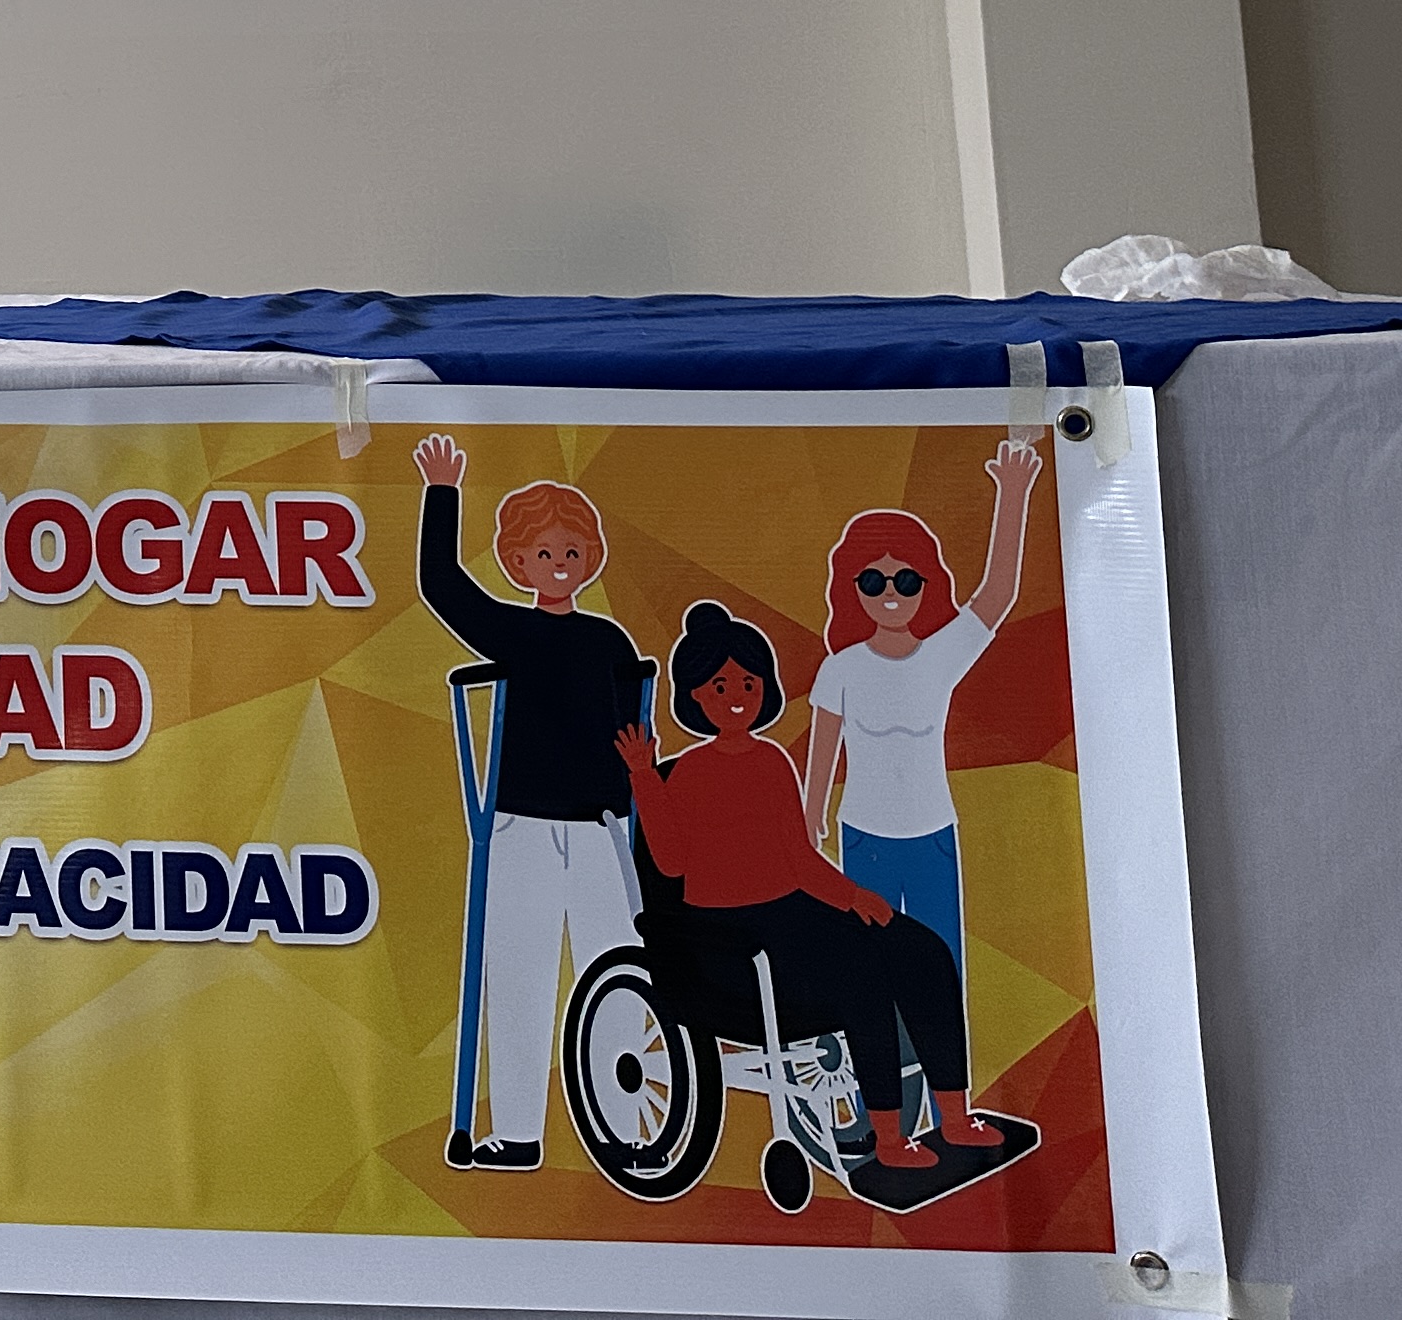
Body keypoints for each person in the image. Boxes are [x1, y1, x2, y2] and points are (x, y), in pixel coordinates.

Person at [615, 601, 1000, 1172]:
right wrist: (644, 777)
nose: (737, 696)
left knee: (922, 950)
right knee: (861, 974)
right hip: (724, 929)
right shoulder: (687, 773)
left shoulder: (773, 762)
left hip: (793, 908)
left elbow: (799, 858)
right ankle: (889, 1140)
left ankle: (955, 1117)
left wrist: (853, 897)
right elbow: (670, 865)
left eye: (748, 683)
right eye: (720, 686)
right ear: (696, 696)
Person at [412, 435, 650, 1172]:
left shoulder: (609, 640)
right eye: (544, 554)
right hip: (520, 825)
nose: (559, 565)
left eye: (572, 552)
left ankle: (625, 1129)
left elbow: (637, 730)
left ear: (590, 559)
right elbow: (442, 585)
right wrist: (443, 493)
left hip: (604, 827)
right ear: (518, 564)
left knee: (618, 971)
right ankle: (517, 1134)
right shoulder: (512, 631)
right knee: (518, 975)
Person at [800, 438, 1039, 974]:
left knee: (940, 967)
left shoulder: (940, 657)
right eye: (873, 580)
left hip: (932, 835)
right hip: (865, 837)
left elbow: (998, 593)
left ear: (926, 584)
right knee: (873, 970)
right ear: (852, 587)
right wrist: (810, 818)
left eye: (905, 580)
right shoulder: (840, 668)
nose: (890, 592)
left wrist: (1014, 491)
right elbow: (824, 748)